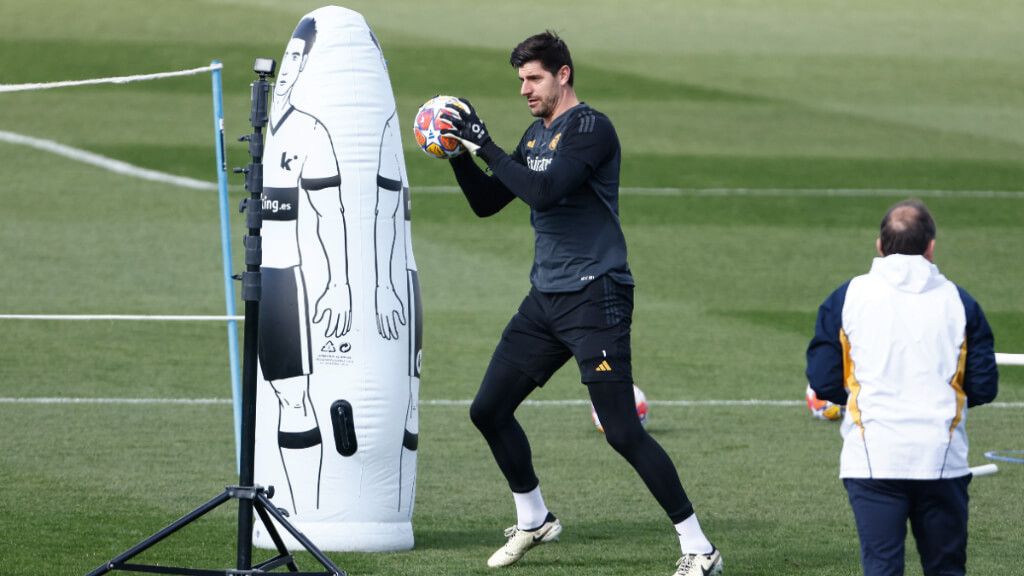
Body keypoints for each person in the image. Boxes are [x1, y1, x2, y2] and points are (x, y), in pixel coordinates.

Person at [439, 31, 723, 576]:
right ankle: (535, 520)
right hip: (546, 299)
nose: (525, 89)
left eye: (534, 78)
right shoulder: (534, 134)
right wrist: (458, 154)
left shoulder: (591, 128)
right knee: (489, 411)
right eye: (520, 79)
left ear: (563, 75)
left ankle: (699, 548)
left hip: (597, 296)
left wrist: (486, 144)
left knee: (621, 430)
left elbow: (547, 192)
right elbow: (486, 203)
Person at [806, 199, 998, 576]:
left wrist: (869, 398)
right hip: (941, 461)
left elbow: (824, 379)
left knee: (882, 567)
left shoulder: (846, 298)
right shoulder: (961, 303)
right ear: (931, 246)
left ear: (880, 244)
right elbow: (983, 386)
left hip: (872, 459)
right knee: (946, 569)